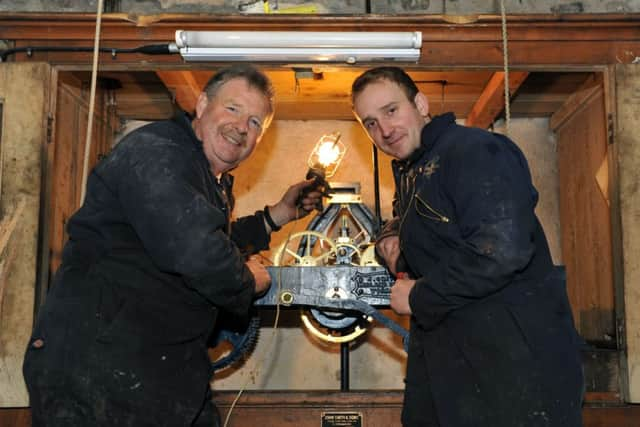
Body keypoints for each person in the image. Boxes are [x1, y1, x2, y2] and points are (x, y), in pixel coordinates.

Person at [23, 64, 321, 427]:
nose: (242, 127)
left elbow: (206, 235)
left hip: (154, 371)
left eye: (256, 122)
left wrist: (275, 216)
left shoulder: (199, 174)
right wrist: (249, 280)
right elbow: (197, 251)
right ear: (201, 104)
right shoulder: (159, 151)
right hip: (102, 371)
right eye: (232, 109)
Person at [351, 66, 584, 427]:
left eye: (391, 110)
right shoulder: (416, 172)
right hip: (456, 362)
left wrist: (419, 296)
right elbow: (427, 226)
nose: (383, 129)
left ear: (421, 104)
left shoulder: (474, 151)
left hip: (512, 366)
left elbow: (502, 250)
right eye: (369, 122)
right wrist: (391, 238)